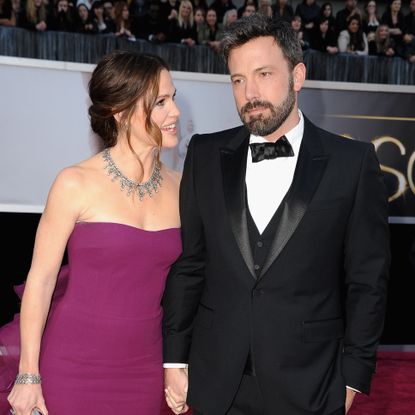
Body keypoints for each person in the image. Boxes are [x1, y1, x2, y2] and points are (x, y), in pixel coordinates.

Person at [162, 14, 389, 415]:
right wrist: (175, 360)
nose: (250, 92)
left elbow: (367, 279)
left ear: (297, 76)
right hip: (217, 380)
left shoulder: (351, 163)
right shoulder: (204, 154)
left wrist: (354, 374)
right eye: (237, 79)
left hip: (311, 382)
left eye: (264, 73)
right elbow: (190, 264)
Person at [3, 50, 182, 415]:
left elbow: (187, 288)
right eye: (160, 102)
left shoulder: (183, 189)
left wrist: (177, 364)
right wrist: (28, 375)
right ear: (120, 112)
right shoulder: (75, 183)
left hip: (145, 370)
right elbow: (41, 279)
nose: (175, 112)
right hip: (71, 368)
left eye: (173, 98)